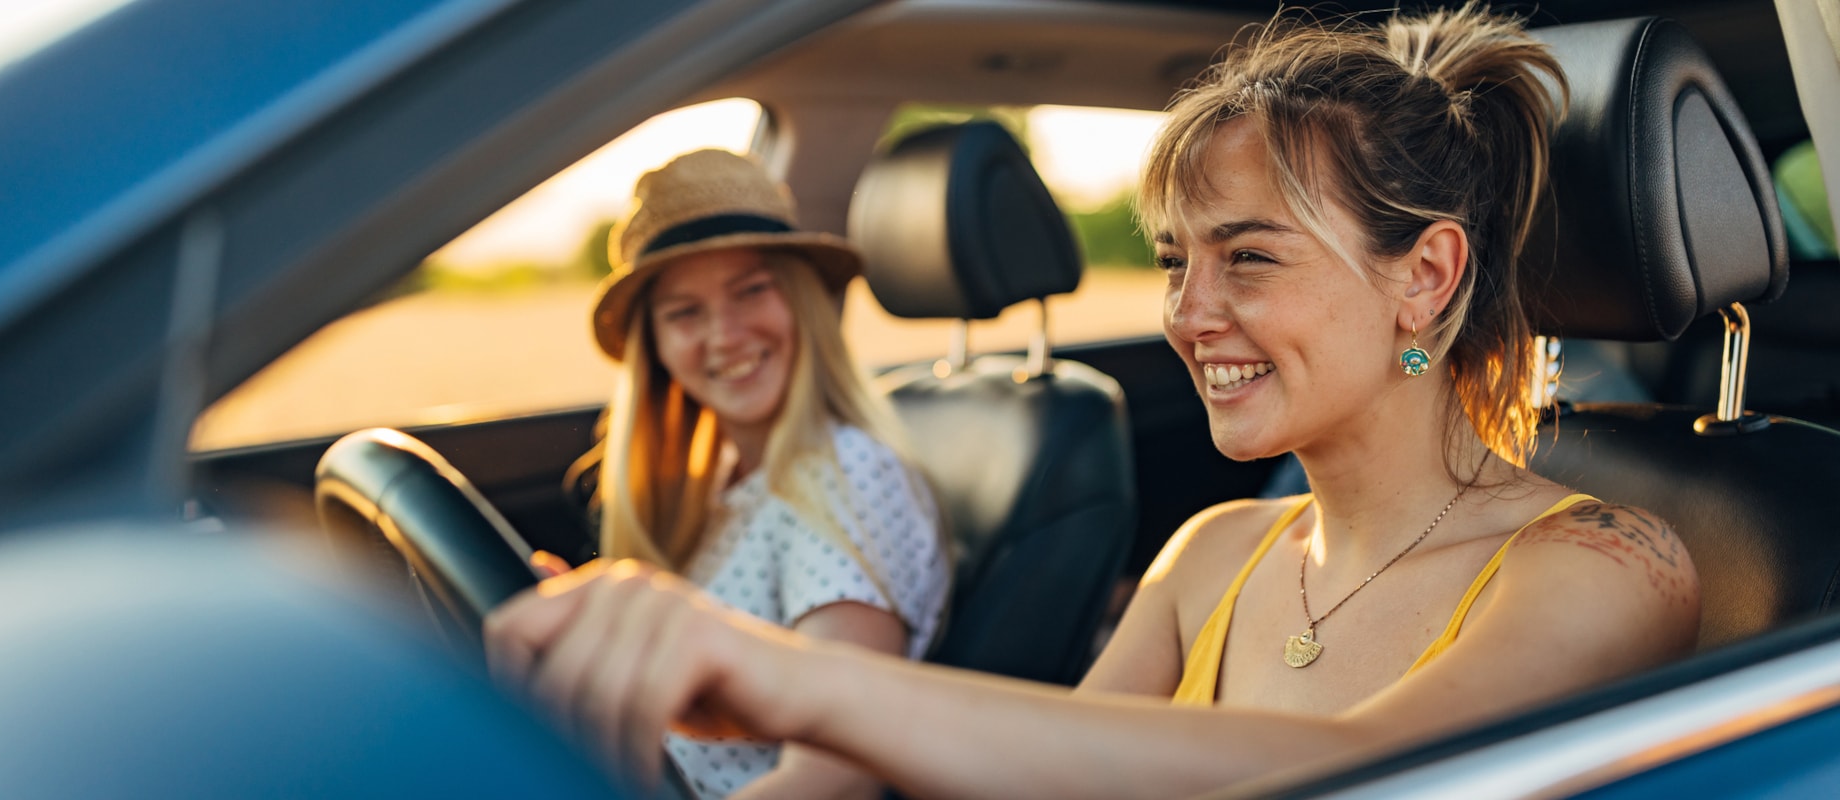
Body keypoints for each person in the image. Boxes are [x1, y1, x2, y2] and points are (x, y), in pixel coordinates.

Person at [486, 7, 1700, 799]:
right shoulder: (1210, 552)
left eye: (1250, 257)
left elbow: (1364, 774)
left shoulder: (1605, 564)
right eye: (1176, 260)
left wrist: (793, 679)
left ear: (1424, 277)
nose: (1187, 312)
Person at [539, 148, 949, 799]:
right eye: (684, 312)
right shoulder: (721, 483)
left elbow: (834, 779)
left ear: (802, 303)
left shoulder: (844, 476)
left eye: (750, 290)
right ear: (657, 347)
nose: (724, 335)